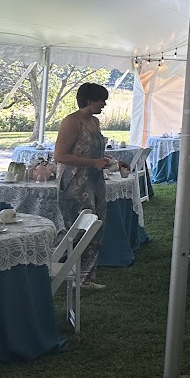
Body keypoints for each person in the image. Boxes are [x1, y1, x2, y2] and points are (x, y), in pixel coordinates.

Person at [53, 82, 125, 290]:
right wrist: (92, 163)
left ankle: (86, 277)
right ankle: (73, 275)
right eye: (100, 100)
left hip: (95, 183)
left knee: (96, 227)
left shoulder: (94, 122)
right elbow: (60, 156)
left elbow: (94, 153)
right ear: (88, 100)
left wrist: (114, 163)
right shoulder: (71, 122)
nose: (104, 104)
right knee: (79, 231)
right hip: (75, 184)